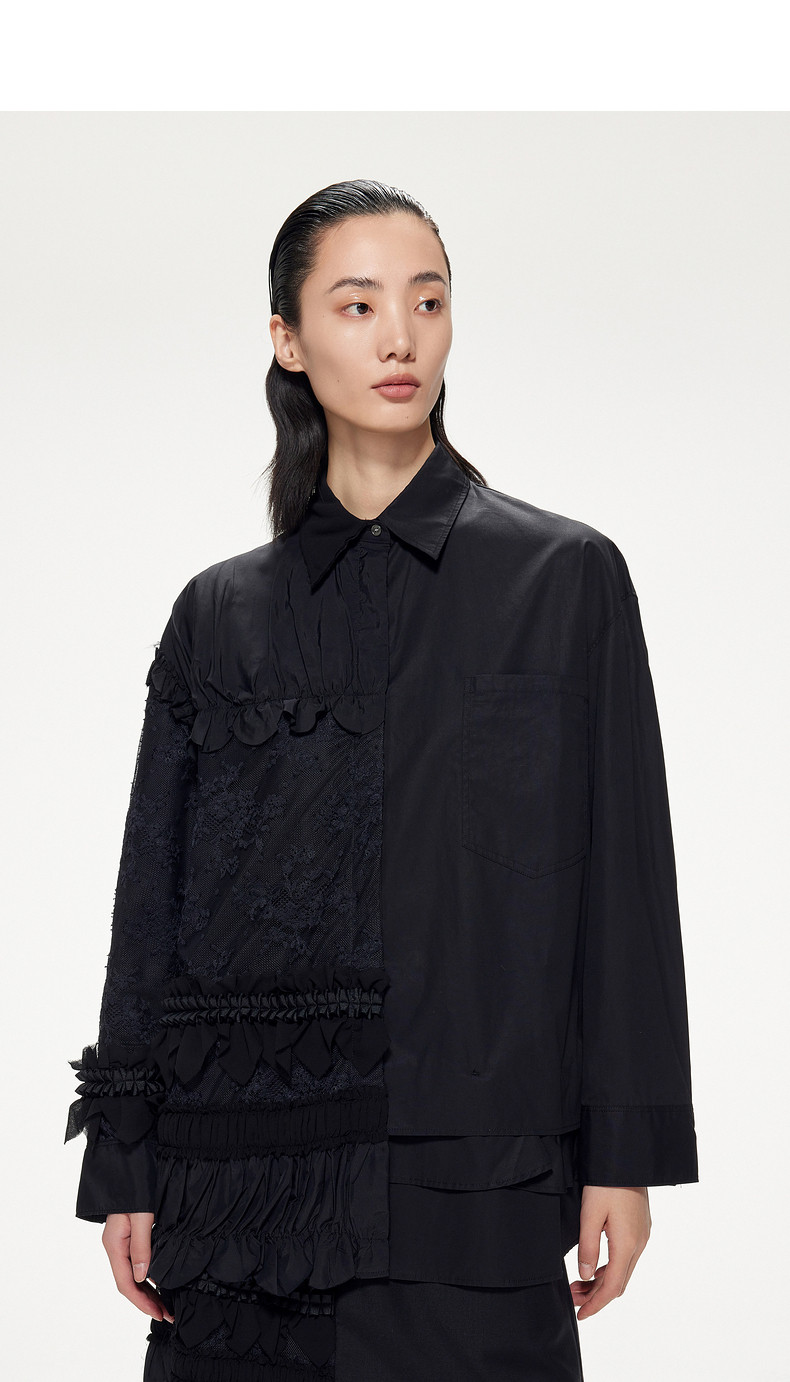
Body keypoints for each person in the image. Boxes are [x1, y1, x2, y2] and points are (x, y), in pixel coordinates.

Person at [65, 178, 698, 1382]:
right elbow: (152, 903)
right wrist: (126, 1159)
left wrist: (624, 1153)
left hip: (478, 1183)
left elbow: (622, 883)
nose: (400, 336)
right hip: (239, 1198)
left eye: (427, 300)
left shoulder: (565, 577)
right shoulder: (218, 613)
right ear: (288, 339)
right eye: (357, 305)